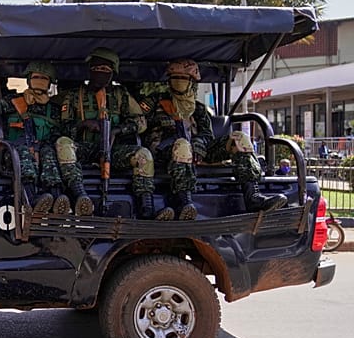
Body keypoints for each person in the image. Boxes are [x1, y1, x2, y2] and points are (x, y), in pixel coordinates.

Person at [140, 59, 287, 220]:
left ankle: (253, 196)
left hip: (198, 153)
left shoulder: (199, 110)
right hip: (163, 154)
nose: (179, 82)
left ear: (193, 82)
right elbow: (139, 126)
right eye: (175, 78)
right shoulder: (155, 103)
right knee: (182, 145)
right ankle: (184, 202)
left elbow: (206, 135)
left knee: (240, 138)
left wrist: (199, 145)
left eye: (184, 78)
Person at [55, 48, 173, 220]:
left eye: (105, 69)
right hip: (84, 149)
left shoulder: (121, 96)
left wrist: (117, 130)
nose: (99, 73)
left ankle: (147, 207)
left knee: (144, 155)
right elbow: (62, 128)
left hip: (114, 149)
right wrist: (83, 125)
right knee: (63, 143)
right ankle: (80, 196)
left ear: (113, 72)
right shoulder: (75, 96)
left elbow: (140, 123)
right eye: (96, 68)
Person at [0, 62, 72, 214]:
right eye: (36, 77)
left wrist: (41, 147)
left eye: (44, 78)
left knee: (50, 155)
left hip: (42, 150)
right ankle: (32, 198)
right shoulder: (15, 101)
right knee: (23, 155)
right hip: (15, 151)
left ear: (50, 83)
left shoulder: (53, 109)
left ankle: (56, 199)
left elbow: (58, 134)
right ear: (29, 79)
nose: (39, 80)